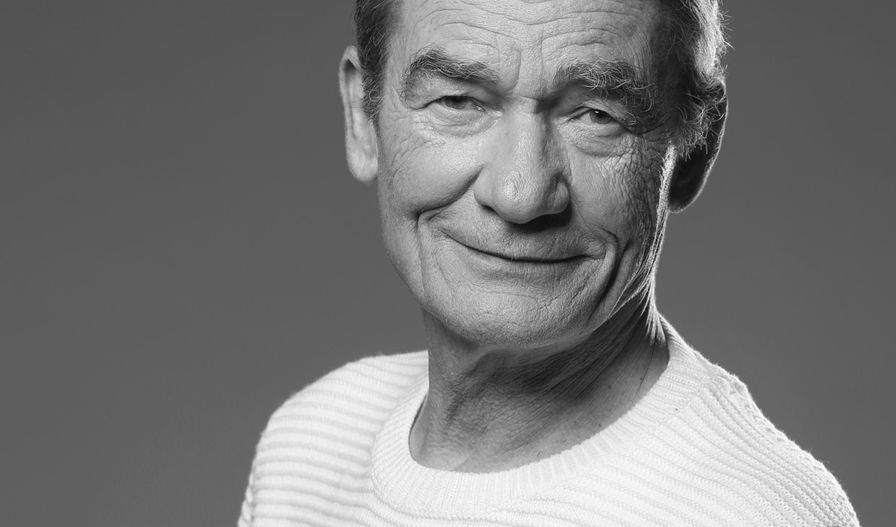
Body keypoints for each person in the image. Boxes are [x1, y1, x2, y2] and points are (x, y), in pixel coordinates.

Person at [238, 0, 859, 524]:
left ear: (694, 149)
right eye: (459, 101)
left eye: (596, 114)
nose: (520, 193)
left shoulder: (750, 513)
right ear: (363, 117)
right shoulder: (307, 449)